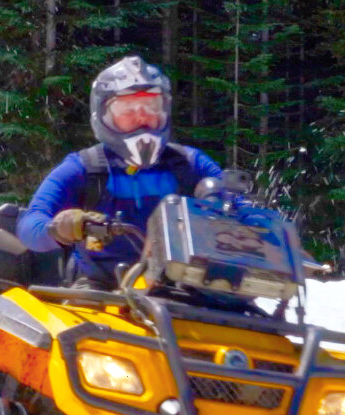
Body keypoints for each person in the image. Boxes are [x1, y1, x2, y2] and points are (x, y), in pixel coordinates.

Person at [17, 56, 222, 286]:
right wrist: (61, 228)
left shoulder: (190, 163)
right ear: (103, 116)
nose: (142, 116)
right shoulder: (83, 168)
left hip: (182, 289)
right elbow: (29, 225)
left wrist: (226, 209)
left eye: (152, 106)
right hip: (99, 290)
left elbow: (241, 208)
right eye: (127, 108)